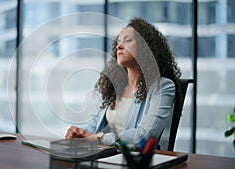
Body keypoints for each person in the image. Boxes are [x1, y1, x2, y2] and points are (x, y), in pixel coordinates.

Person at [65, 17, 182, 148]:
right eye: (118, 42)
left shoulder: (163, 86)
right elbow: (95, 124)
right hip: (106, 156)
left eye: (128, 40)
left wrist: (100, 138)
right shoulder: (116, 87)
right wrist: (79, 132)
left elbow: (143, 136)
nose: (119, 46)